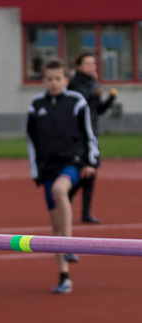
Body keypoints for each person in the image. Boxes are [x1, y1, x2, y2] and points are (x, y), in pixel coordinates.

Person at [26, 59, 98, 294]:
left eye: (58, 79)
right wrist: (36, 172)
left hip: (72, 163)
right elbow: (31, 141)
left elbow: (89, 134)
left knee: (60, 190)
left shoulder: (76, 102)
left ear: (66, 80)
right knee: (55, 226)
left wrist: (90, 161)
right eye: (49, 79)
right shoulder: (36, 105)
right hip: (48, 168)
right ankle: (64, 276)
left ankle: (69, 244)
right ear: (43, 80)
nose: (54, 83)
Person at [68, 52, 116, 225]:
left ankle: (85, 211)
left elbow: (98, 110)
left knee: (91, 171)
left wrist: (110, 99)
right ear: (79, 66)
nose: (91, 66)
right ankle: (65, 198)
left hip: (92, 133)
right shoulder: (74, 83)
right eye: (87, 63)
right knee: (83, 171)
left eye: (93, 63)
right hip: (78, 134)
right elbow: (80, 103)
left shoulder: (94, 83)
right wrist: (94, 94)